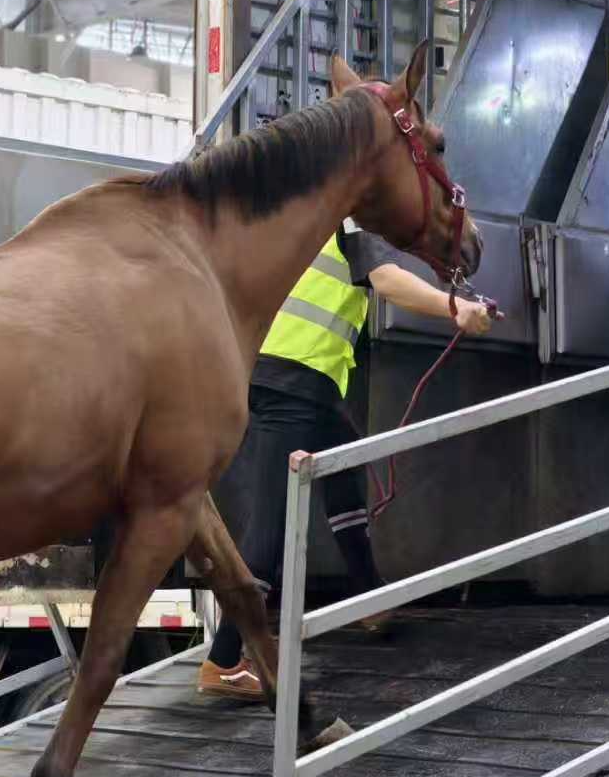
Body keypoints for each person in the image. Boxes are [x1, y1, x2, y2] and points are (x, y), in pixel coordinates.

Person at [198, 224, 494, 697]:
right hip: (294, 378)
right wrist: (455, 308)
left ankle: (368, 596)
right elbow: (388, 280)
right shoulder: (355, 216)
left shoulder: (315, 209)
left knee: (343, 465)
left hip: (302, 378)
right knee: (270, 526)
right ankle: (225, 659)